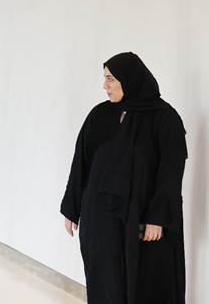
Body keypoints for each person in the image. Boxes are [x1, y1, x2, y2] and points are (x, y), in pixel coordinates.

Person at [61, 52, 187, 304]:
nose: (104, 85)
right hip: (100, 220)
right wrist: (72, 208)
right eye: (104, 78)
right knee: (105, 281)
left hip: (142, 220)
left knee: (145, 283)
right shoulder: (99, 115)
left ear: (129, 79)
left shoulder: (164, 118)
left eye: (110, 79)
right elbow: (81, 163)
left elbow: (170, 172)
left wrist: (157, 217)